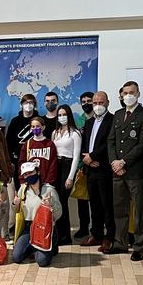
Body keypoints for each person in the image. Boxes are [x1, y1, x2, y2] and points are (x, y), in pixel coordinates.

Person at [108, 81, 143, 261]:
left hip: (135, 171)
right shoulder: (118, 114)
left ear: (138, 94)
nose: (128, 96)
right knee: (120, 209)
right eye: (125, 93)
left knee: (140, 210)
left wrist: (123, 162)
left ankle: (139, 246)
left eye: (132, 92)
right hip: (117, 172)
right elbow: (111, 140)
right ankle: (120, 242)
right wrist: (114, 162)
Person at [81, 91, 115, 253]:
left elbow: (109, 143)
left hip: (104, 169)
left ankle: (109, 237)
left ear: (107, 103)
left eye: (101, 103)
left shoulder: (113, 120)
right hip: (90, 170)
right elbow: (84, 143)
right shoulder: (89, 123)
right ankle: (96, 234)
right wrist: (86, 158)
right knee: (94, 204)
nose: (97, 106)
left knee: (107, 205)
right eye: (95, 103)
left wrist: (93, 157)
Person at [12, 162, 63, 267]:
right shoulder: (23, 190)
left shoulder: (49, 190)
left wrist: (50, 206)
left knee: (42, 261)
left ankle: (51, 246)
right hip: (29, 228)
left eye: (31, 172)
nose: (28, 176)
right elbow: (17, 211)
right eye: (26, 174)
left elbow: (59, 213)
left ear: (38, 172)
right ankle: (33, 246)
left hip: (45, 228)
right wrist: (15, 204)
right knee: (16, 257)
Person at [52, 104, 81, 246]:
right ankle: (57, 234)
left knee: (63, 201)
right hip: (56, 166)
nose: (62, 117)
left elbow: (76, 157)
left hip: (68, 166)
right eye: (60, 115)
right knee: (55, 201)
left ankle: (66, 236)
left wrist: (70, 177)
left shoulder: (75, 133)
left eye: (64, 114)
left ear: (69, 115)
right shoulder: (55, 133)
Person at [74, 91, 95, 238]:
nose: (86, 104)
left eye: (89, 101)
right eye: (83, 101)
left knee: (97, 200)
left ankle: (97, 229)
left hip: (97, 164)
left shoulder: (100, 118)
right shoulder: (78, 121)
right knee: (82, 200)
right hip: (82, 165)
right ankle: (83, 227)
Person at [6, 94, 38, 188]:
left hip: (35, 158)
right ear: (21, 105)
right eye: (26, 102)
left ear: (34, 105)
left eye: (31, 102)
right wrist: (11, 160)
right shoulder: (15, 121)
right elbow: (9, 142)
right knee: (20, 187)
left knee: (35, 186)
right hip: (18, 160)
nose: (28, 105)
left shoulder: (39, 120)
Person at [18, 116, 58, 185]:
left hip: (46, 182)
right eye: (33, 126)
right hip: (30, 182)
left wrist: (49, 182)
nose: (35, 128)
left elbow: (53, 164)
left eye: (37, 126)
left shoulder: (50, 144)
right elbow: (22, 164)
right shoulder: (27, 144)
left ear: (43, 127)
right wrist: (23, 181)